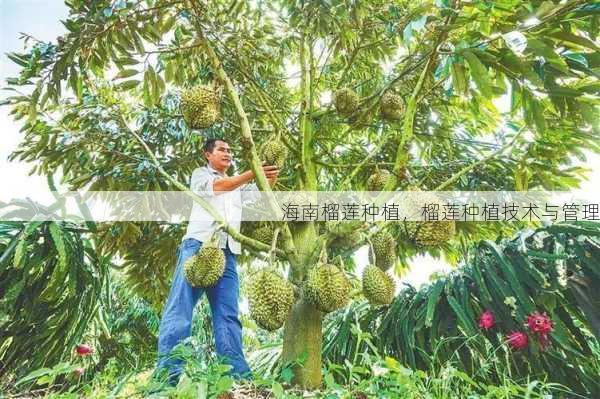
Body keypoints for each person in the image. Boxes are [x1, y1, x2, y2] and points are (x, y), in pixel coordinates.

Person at [155, 138, 279, 385]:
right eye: (222, 149)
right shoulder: (201, 175)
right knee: (180, 311)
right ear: (207, 154)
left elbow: (255, 194)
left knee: (228, 316)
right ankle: (165, 380)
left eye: (230, 150)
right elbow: (220, 187)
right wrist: (252, 173)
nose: (228, 153)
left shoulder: (237, 187)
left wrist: (268, 178)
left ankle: (238, 379)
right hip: (198, 246)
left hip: (227, 253)